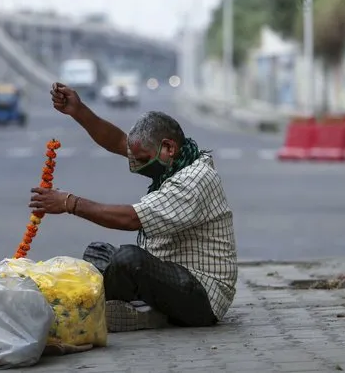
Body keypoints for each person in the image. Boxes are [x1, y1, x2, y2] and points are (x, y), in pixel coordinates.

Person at [28, 82, 238, 332]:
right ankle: (144, 310)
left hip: (202, 296)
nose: (137, 166)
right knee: (97, 253)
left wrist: (68, 202)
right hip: (168, 271)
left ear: (169, 148)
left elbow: (131, 219)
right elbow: (117, 140)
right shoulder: (176, 160)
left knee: (128, 259)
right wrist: (79, 111)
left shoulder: (195, 179)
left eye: (143, 160)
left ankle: (112, 310)